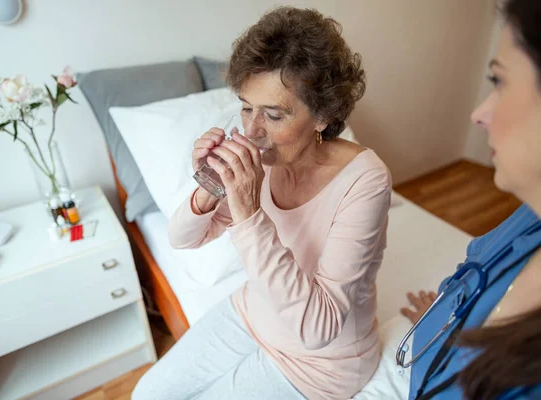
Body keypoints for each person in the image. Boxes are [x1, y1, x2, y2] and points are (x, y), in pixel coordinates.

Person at [132, 6, 391, 400]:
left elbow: (316, 328)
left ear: (322, 115)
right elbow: (182, 239)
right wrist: (209, 187)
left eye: (273, 114)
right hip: (254, 313)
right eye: (246, 107)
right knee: (146, 394)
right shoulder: (262, 162)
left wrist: (249, 213)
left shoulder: (366, 180)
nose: (252, 130)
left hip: (320, 365)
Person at [399, 0, 541, 398]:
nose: (478, 114)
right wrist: (448, 311)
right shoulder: (528, 217)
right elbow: (474, 270)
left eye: (499, 81)